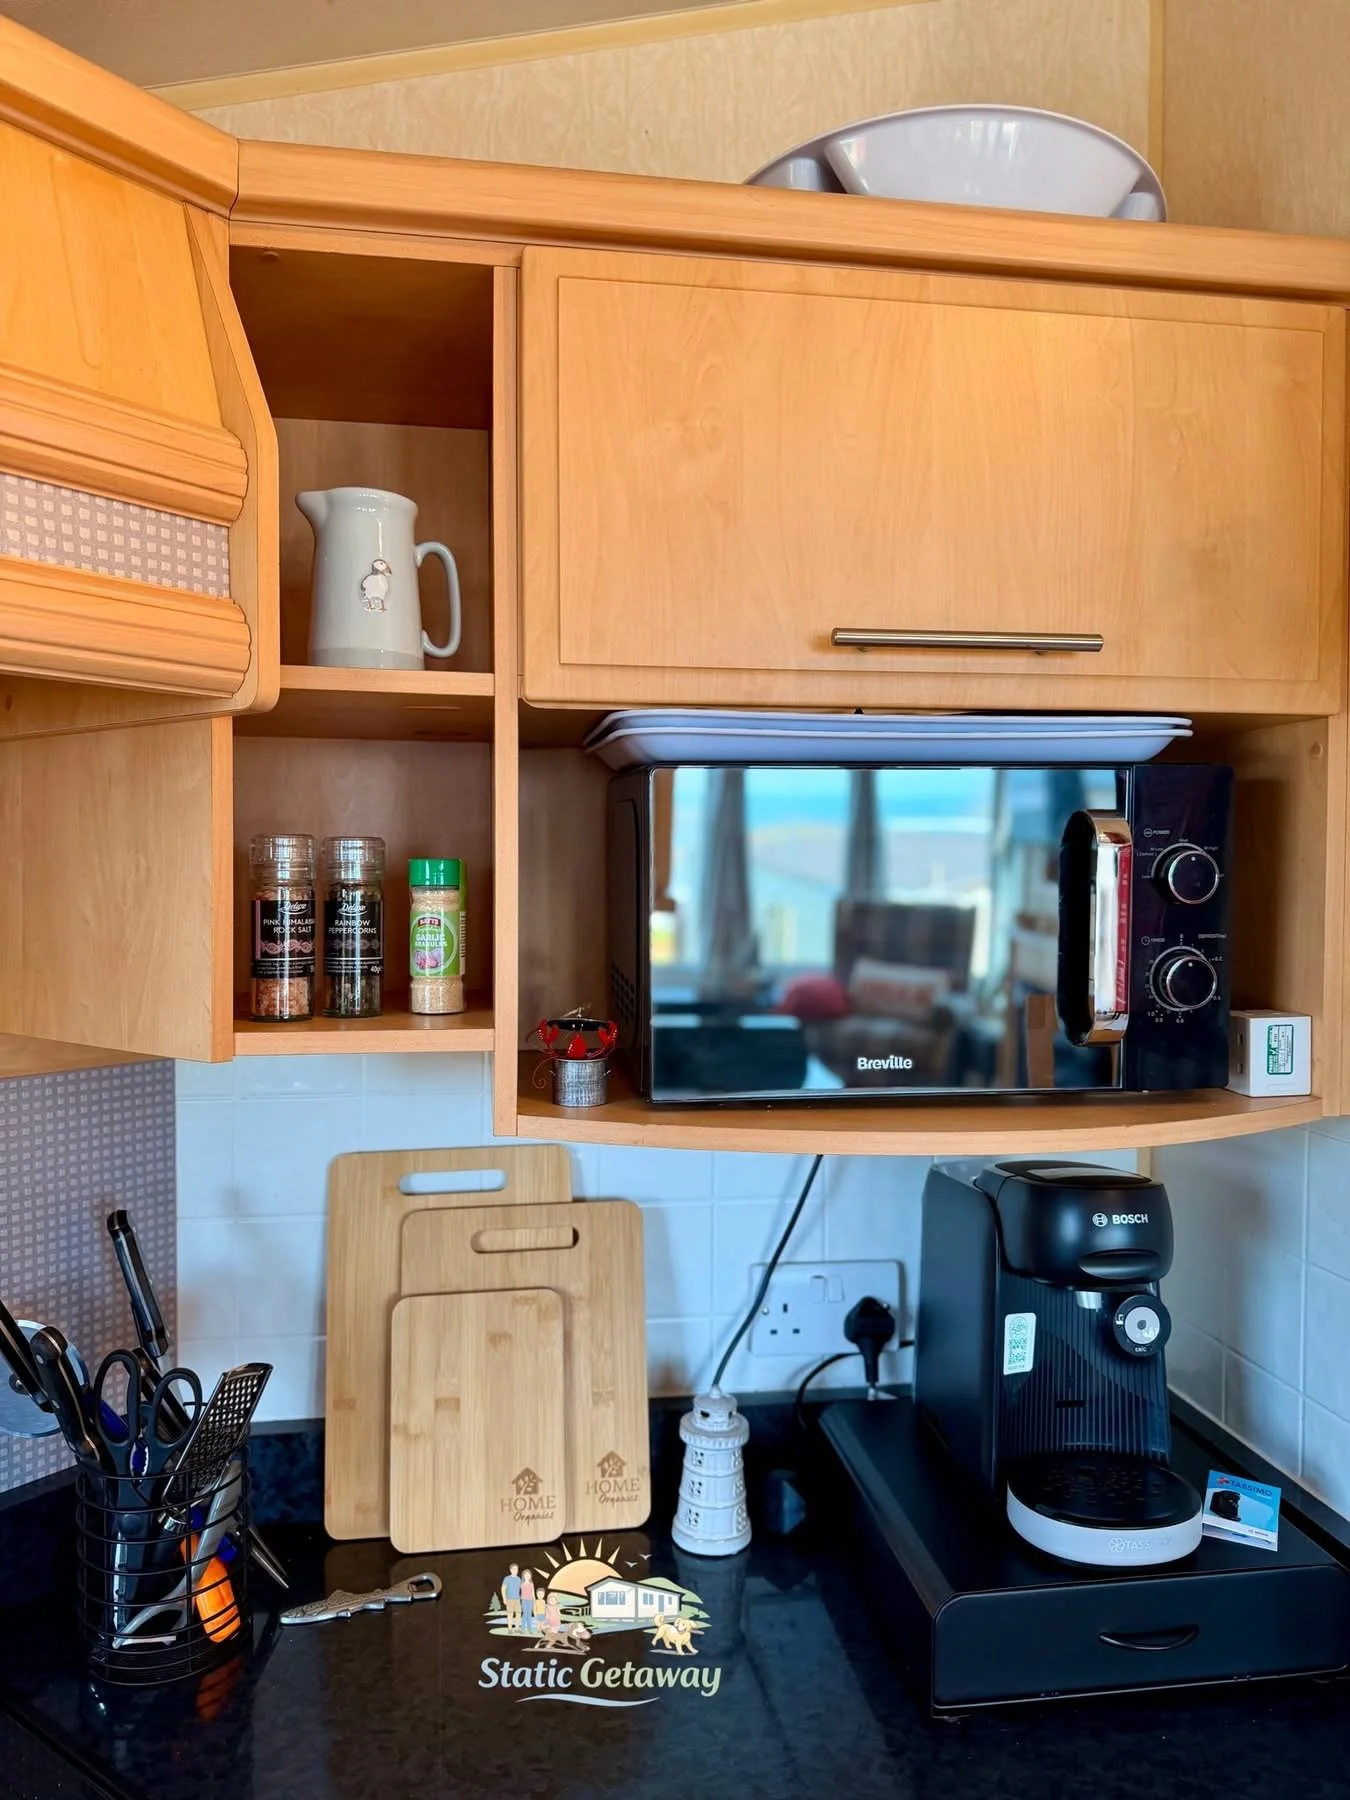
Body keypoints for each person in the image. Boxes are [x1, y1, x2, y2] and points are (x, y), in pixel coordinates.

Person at [501, 1563, 523, 1630]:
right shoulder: (507, 1578)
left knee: (518, 1614)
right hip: (509, 1599)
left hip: (517, 1600)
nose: (515, 1570)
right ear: (510, 1570)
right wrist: (504, 1599)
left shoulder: (519, 1579)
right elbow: (503, 1589)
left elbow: (522, 1589)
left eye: (516, 1569)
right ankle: (510, 1629)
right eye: (514, 1569)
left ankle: (516, 1629)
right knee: (510, 1615)